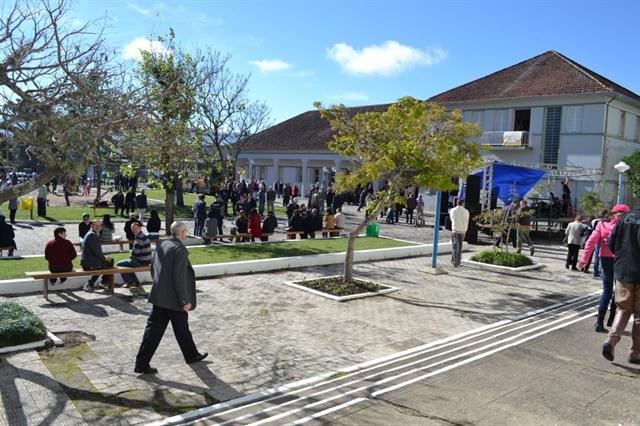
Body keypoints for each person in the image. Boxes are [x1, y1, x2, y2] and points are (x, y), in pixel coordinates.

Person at [134, 221, 207, 374]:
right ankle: (191, 355)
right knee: (179, 329)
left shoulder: (163, 244)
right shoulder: (179, 250)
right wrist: (185, 301)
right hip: (174, 300)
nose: (186, 233)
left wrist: (158, 285)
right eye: (185, 231)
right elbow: (179, 278)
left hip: (160, 296)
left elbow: (153, 266)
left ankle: (142, 363)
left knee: (158, 331)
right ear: (181, 233)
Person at [579, 204, 630, 333]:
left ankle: (600, 322)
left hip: (606, 259)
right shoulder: (627, 226)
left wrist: (584, 259)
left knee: (608, 290)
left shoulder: (602, 225)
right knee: (616, 291)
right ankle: (610, 320)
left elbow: (591, 241)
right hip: (620, 261)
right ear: (615, 214)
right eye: (622, 215)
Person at [602, 205, 640, 364]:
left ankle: (610, 341)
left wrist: (621, 257)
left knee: (622, 308)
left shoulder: (625, 217)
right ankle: (635, 353)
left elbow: (611, 242)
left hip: (623, 270)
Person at [80, 221, 114, 292]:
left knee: (105, 263)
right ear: (91, 225)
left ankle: (98, 283)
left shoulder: (91, 233)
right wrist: (105, 258)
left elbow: (96, 252)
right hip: (88, 263)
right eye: (96, 225)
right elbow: (98, 252)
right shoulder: (92, 235)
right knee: (109, 262)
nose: (98, 227)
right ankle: (96, 283)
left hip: (88, 261)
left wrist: (104, 258)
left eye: (100, 225)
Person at [117, 220, 153, 288]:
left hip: (141, 261)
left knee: (119, 264)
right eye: (132, 229)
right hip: (146, 261)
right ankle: (136, 282)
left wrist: (131, 252)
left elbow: (135, 252)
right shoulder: (143, 236)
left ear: (140, 228)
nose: (134, 230)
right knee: (127, 264)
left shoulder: (139, 238)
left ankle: (130, 282)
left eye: (135, 228)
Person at [449, 199, 469, 267]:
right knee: (459, 246)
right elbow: (467, 220)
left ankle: (455, 261)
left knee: (454, 246)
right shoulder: (466, 211)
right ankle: (457, 261)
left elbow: (451, 219)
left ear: (457, 203)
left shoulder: (452, 210)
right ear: (463, 203)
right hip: (463, 230)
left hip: (455, 230)